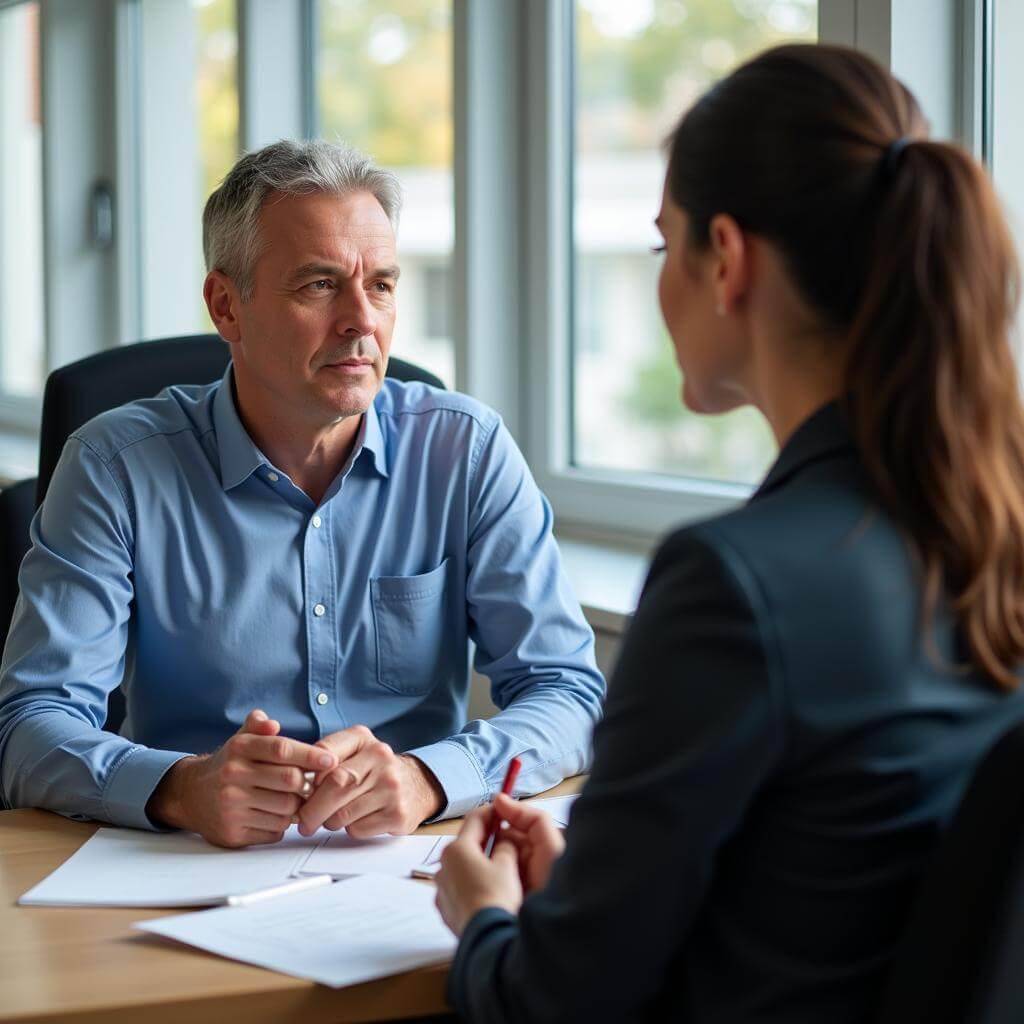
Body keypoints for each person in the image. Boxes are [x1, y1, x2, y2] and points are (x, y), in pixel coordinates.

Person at [434, 43, 1024, 1023]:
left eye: (664, 245)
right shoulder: (983, 539)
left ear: (727, 258)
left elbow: (552, 1004)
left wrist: (486, 914)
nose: (665, 278)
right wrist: (598, 879)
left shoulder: (732, 584)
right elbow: (828, 886)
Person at [0, 140, 605, 849]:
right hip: (184, 868)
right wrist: (180, 788)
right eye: (319, 285)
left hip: (404, 868)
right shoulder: (115, 466)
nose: (361, 320)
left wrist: (429, 778)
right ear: (227, 305)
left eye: (380, 285)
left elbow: (569, 694)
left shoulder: (465, 450)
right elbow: (31, 726)